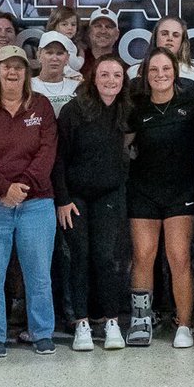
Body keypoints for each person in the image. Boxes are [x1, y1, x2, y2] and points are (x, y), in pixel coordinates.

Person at [0, 45, 59, 357]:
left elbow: (47, 151)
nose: (12, 72)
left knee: (38, 274)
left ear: (26, 71)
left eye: (18, 66)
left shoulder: (41, 106)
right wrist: (4, 187)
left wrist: (23, 186)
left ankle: (41, 331)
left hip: (36, 204)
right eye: (6, 66)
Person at [55, 54, 131, 351]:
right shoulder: (73, 111)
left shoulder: (125, 110)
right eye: (104, 75)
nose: (111, 80)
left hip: (110, 194)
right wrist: (61, 199)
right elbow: (58, 158)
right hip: (74, 197)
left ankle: (111, 320)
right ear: (93, 78)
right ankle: (81, 324)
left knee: (106, 257)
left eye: (117, 75)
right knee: (79, 257)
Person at [126, 46, 194, 347]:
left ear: (175, 73)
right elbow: (123, 145)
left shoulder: (191, 100)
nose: (160, 75)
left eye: (166, 69)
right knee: (143, 255)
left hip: (181, 190)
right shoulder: (137, 106)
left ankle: (184, 324)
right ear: (145, 74)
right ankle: (141, 319)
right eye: (154, 70)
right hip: (143, 190)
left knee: (178, 256)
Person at [127, 15, 194, 88]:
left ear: (182, 41)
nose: (170, 38)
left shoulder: (193, 74)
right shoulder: (134, 72)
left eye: (175, 35)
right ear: (155, 37)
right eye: (164, 34)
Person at [32, 31, 81, 113]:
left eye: (60, 53)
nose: (54, 58)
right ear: (39, 55)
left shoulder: (77, 86)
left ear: (67, 58)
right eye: (49, 53)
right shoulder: (28, 86)